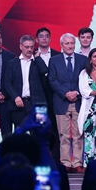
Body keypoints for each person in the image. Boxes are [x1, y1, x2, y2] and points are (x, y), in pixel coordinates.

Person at [49, 33, 87, 173]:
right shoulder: (54, 60)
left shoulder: (83, 60)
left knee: (78, 134)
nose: (70, 46)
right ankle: (65, 162)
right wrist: (66, 93)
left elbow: (85, 79)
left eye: (72, 43)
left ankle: (77, 162)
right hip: (61, 101)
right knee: (63, 134)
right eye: (67, 43)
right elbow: (52, 80)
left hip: (78, 101)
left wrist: (76, 92)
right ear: (61, 45)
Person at [3, 35, 47, 128]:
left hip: (37, 103)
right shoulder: (12, 63)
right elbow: (8, 83)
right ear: (21, 46)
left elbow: (44, 71)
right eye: (27, 47)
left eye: (31, 47)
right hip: (19, 103)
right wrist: (15, 97)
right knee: (20, 133)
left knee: (40, 132)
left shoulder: (37, 62)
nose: (29, 49)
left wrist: (38, 58)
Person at [35, 27, 62, 159]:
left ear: (50, 39)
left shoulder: (58, 55)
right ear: (36, 39)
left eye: (46, 36)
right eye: (41, 36)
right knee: (40, 128)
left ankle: (56, 158)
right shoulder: (32, 55)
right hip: (38, 97)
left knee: (56, 128)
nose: (44, 38)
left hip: (55, 96)